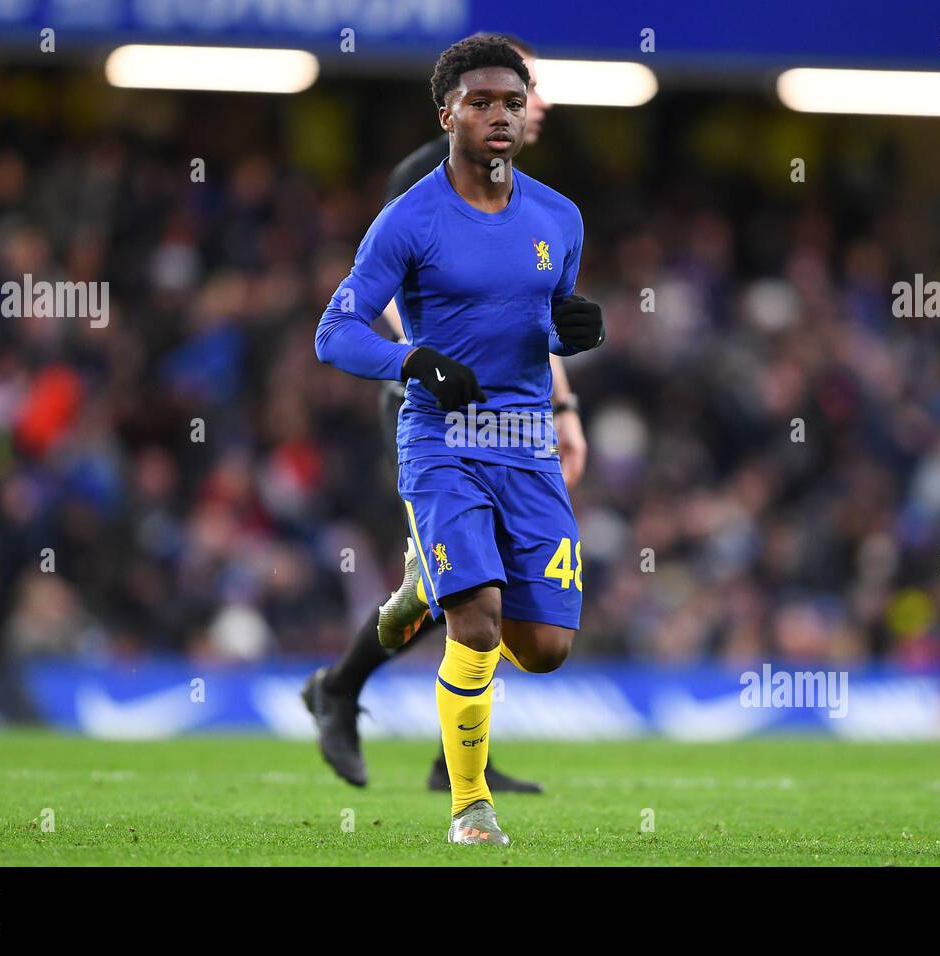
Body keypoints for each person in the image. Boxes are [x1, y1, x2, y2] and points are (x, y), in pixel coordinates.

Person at [314, 34, 605, 844]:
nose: (500, 116)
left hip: (528, 443)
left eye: (513, 102)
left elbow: (536, 321)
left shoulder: (560, 217)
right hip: (440, 436)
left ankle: (422, 593)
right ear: (447, 113)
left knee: (545, 647)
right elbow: (333, 332)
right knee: (476, 617)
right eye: (481, 103)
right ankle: (470, 807)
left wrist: (570, 337)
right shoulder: (409, 216)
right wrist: (413, 361)